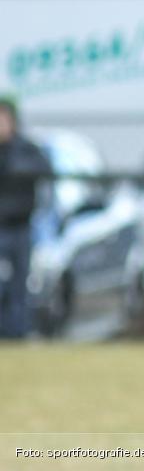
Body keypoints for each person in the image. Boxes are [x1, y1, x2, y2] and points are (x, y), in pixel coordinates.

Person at [0, 96, 51, 339]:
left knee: (21, 284)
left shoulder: (27, 149)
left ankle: (19, 332)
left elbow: (45, 170)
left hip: (21, 225)